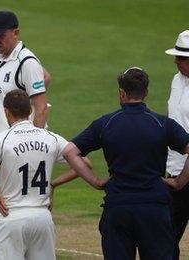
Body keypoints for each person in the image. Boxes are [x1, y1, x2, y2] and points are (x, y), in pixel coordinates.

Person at [63, 67, 189, 259]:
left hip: (118, 207)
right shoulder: (162, 124)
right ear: (146, 93)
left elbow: (70, 152)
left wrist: (95, 181)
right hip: (154, 207)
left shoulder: (106, 123)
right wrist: (179, 182)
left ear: (121, 93)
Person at [0, 11, 50, 256]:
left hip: (18, 155)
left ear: (16, 32)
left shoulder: (27, 62)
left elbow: (40, 108)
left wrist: (33, 146)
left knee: (13, 215)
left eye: (2, 35)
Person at [0, 89, 69, 260]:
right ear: (30, 111)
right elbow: (83, 163)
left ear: (6, 111)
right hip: (42, 218)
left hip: (11, 217)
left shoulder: (1, 140)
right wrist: (53, 185)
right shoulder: (51, 138)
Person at [165, 30, 189, 260]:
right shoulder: (176, 79)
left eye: (182, 58)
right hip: (174, 171)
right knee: (166, 239)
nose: (176, 61)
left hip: (185, 174)